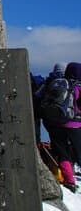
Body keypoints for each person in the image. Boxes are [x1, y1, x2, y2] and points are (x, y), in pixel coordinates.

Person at [43, 62, 81, 191]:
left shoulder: (55, 84)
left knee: (63, 153)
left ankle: (69, 180)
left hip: (56, 123)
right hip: (75, 124)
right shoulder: (77, 86)